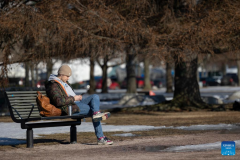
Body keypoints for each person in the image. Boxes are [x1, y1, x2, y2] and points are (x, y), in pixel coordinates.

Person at [45, 64, 113, 145]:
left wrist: (77, 97)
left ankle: (97, 114)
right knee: (93, 111)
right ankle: (100, 137)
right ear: (62, 74)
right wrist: (74, 98)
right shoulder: (53, 84)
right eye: (67, 76)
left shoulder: (64, 82)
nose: (68, 78)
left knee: (95, 96)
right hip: (69, 107)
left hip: (76, 103)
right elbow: (58, 101)